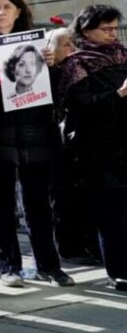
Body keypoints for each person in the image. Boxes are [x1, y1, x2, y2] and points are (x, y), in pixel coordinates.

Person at [0, 0, 72, 288]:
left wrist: (52, 64)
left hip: (36, 131)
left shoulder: (36, 41)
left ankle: (50, 265)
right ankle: (8, 266)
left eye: (7, 6)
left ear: (18, 11)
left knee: (39, 205)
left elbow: (56, 90)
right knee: (0, 204)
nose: (0, 12)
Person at [60, 4, 127, 289]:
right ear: (87, 30)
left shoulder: (123, 55)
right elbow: (80, 106)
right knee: (112, 213)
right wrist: (119, 94)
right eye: (106, 29)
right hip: (100, 148)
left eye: (115, 28)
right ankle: (119, 271)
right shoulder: (78, 62)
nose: (113, 34)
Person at [48, 25, 101, 264]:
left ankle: (91, 244)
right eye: (66, 44)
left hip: (81, 141)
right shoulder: (50, 74)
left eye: (75, 43)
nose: (73, 49)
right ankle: (70, 247)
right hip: (55, 142)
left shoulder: (80, 70)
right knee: (63, 197)